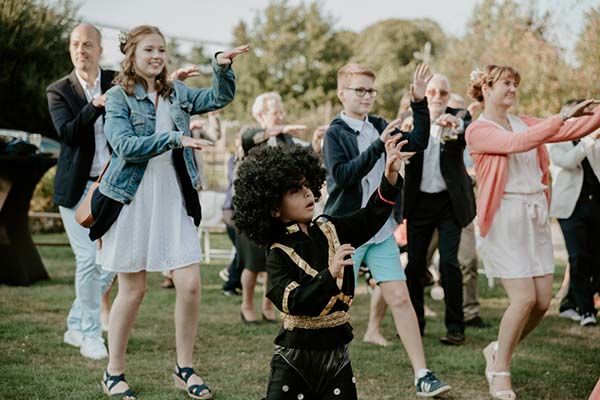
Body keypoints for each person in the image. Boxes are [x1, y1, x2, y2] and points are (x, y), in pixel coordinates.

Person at [90, 25, 248, 399]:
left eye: (161, 49)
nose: (157, 56)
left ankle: (185, 368)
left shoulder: (175, 93)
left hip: (172, 199)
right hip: (131, 200)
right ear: (131, 55)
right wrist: (175, 138)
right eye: (148, 50)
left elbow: (217, 97)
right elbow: (125, 146)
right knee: (134, 290)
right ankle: (114, 372)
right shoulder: (117, 97)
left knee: (191, 285)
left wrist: (221, 67)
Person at [232, 137, 410, 400]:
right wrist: (331, 275)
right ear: (273, 209)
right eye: (294, 190)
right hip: (294, 359)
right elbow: (291, 301)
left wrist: (390, 176)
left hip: (338, 352)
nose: (306, 193)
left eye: (306, 185)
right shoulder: (278, 253)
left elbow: (370, 217)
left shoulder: (331, 229)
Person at [466, 64, 600, 399]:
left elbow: (569, 130)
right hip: (504, 217)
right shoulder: (478, 130)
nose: (512, 89)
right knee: (523, 298)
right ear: (486, 88)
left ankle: (498, 349)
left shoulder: (523, 120)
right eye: (505, 83)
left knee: (541, 303)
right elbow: (517, 142)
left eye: (515, 84)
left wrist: (591, 115)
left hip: (535, 216)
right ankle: (500, 370)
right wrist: (560, 116)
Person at [323, 63, 451, 397]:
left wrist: (419, 102)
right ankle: (314, 371)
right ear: (342, 93)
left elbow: (419, 141)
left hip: (380, 231)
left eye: (370, 90)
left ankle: (422, 374)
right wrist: (378, 147)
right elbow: (343, 176)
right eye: (359, 90)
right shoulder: (334, 133)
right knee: (330, 304)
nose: (366, 96)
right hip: (345, 232)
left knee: (400, 297)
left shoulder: (380, 125)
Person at [46, 23, 116, 360]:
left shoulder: (118, 80)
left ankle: (75, 322)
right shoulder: (59, 91)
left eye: (88, 44)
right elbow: (69, 133)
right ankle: (89, 333)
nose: (80, 49)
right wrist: (96, 105)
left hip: (112, 187)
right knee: (88, 261)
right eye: (75, 44)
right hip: (76, 190)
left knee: (112, 263)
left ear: (100, 49)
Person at [402, 73, 477, 346]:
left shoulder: (458, 116)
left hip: (449, 203)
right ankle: (415, 325)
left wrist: (455, 124)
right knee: (414, 267)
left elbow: (465, 126)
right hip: (419, 203)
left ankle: (456, 327)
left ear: (448, 96)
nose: (436, 97)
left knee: (449, 263)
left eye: (442, 93)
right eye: (431, 92)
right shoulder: (411, 119)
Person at [236, 92, 306, 323]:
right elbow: (248, 140)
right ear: (260, 114)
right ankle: (247, 305)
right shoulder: (249, 134)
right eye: (275, 112)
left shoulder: (286, 139)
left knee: (274, 260)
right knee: (253, 263)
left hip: (279, 210)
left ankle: (268, 306)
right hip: (254, 209)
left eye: (281, 111)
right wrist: (272, 131)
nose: (280, 116)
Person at [549, 99, 600, 327]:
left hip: (596, 205)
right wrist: (589, 140)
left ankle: (571, 303)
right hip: (570, 208)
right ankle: (587, 311)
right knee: (577, 257)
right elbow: (568, 162)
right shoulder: (559, 141)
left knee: (595, 258)